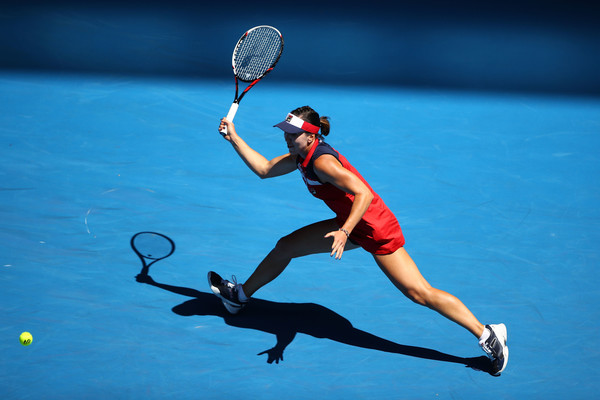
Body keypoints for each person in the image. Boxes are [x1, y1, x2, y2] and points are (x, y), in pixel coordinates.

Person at [209, 106, 508, 375]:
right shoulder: (300, 156)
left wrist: (345, 231)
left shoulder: (323, 163)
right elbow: (264, 169)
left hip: (373, 228)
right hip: (350, 223)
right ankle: (239, 296)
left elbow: (363, 193)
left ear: (311, 136)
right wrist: (234, 137)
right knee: (286, 246)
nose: (287, 138)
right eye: (286, 133)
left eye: (293, 134)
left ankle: (487, 334)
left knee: (419, 293)